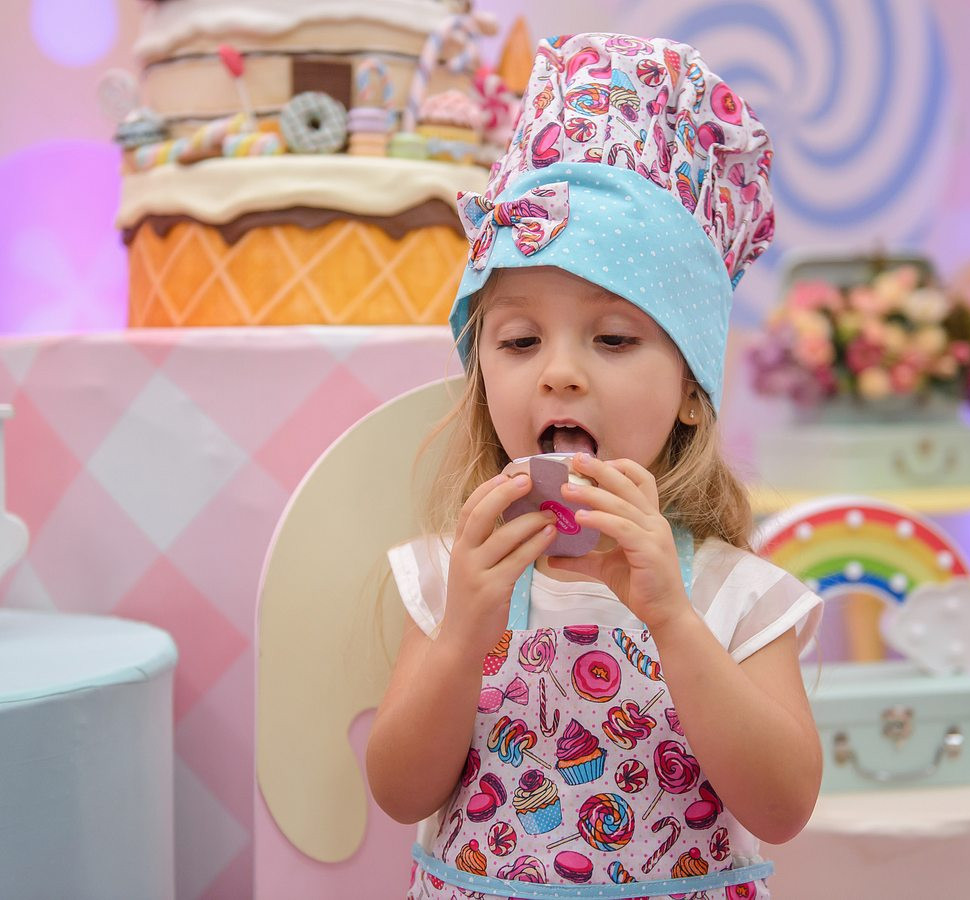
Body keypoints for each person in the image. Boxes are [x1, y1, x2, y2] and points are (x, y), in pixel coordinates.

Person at [367, 32, 823, 899]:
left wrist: (674, 621)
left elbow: (783, 805)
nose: (561, 372)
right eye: (519, 341)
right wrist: (463, 632)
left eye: (613, 338)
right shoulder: (450, 577)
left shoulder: (735, 594)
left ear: (692, 391)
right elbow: (399, 792)